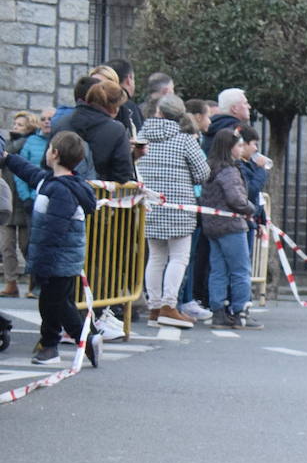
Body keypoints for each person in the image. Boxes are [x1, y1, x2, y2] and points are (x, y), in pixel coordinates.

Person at [1, 132, 100, 367]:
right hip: (60, 259)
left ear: (54, 154)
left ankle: (50, 346)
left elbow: (55, 232)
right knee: (60, 303)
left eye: (49, 149)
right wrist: (7, 158)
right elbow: (31, 173)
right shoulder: (55, 183)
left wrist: (42, 264)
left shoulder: (61, 191)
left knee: (50, 305)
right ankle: (87, 338)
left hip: (57, 259)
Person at [137, 93, 209, 329]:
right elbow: (202, 173)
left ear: (158, 112)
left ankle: (154, 307)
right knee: (178, 257)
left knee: (156, 257)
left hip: (150, 203)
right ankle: (170, 305)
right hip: (178, 206)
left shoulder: (141, 136)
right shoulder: (184, 139)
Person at [200, 129, 261, 330]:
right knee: (240, 270)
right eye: (239, 145)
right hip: (231, 226)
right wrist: (251, 209)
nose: (241, 149)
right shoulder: (229, 171)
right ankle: (241, 311)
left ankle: (218, 311)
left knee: (218, 269)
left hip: (212, 225)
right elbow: (236, 199)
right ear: (230, 148)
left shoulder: (209, 168)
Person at [53, 79, 134, 183]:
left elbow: (46, 162)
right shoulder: (116, 130)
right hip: (99, 194)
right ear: (113, 107)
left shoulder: (62, 122)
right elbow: (123, 174)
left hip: (61, 188)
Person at [0, 112, 37, 298]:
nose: (15, 127)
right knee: (7, 245)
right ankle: (10, 282)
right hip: (8, 200)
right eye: (14, 124)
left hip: (23, 201)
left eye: (20, 125)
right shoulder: (6, 144)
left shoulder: (28, 144)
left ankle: (33, 282)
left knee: (26, 245)